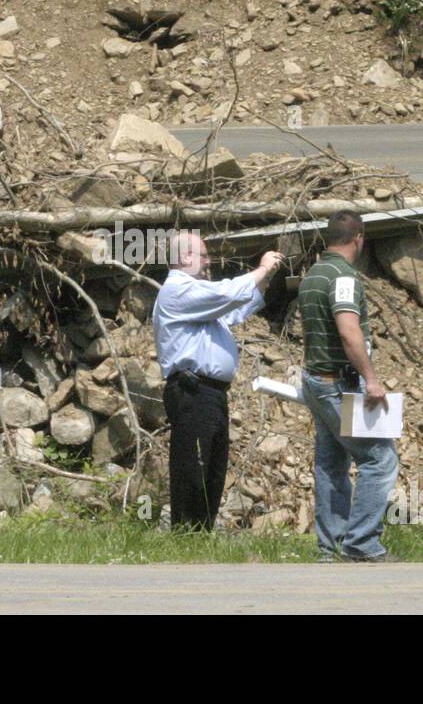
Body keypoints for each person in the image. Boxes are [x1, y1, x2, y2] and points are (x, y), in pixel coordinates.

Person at [152, 231, 284, 531]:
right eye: (203, 255)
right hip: (192, 390)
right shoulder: (177, 290)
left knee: (212, 468)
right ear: (185, 257)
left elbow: (236, 308)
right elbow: (227, 294)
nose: (209, 261)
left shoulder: (199, 298)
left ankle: (200, 533)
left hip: (210, 393)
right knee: (193, 467)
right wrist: (260, 269)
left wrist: (266, 277)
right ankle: (186, 534)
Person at [297, 210, 400, 562]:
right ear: (358, 237)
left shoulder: (313, 274)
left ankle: (330, 547)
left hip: (316, 380)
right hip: (335, 384)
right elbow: (347, 330)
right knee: (379, 460)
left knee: (331, 464)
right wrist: (371, 379)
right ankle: (362, 543)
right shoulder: (343, 277)